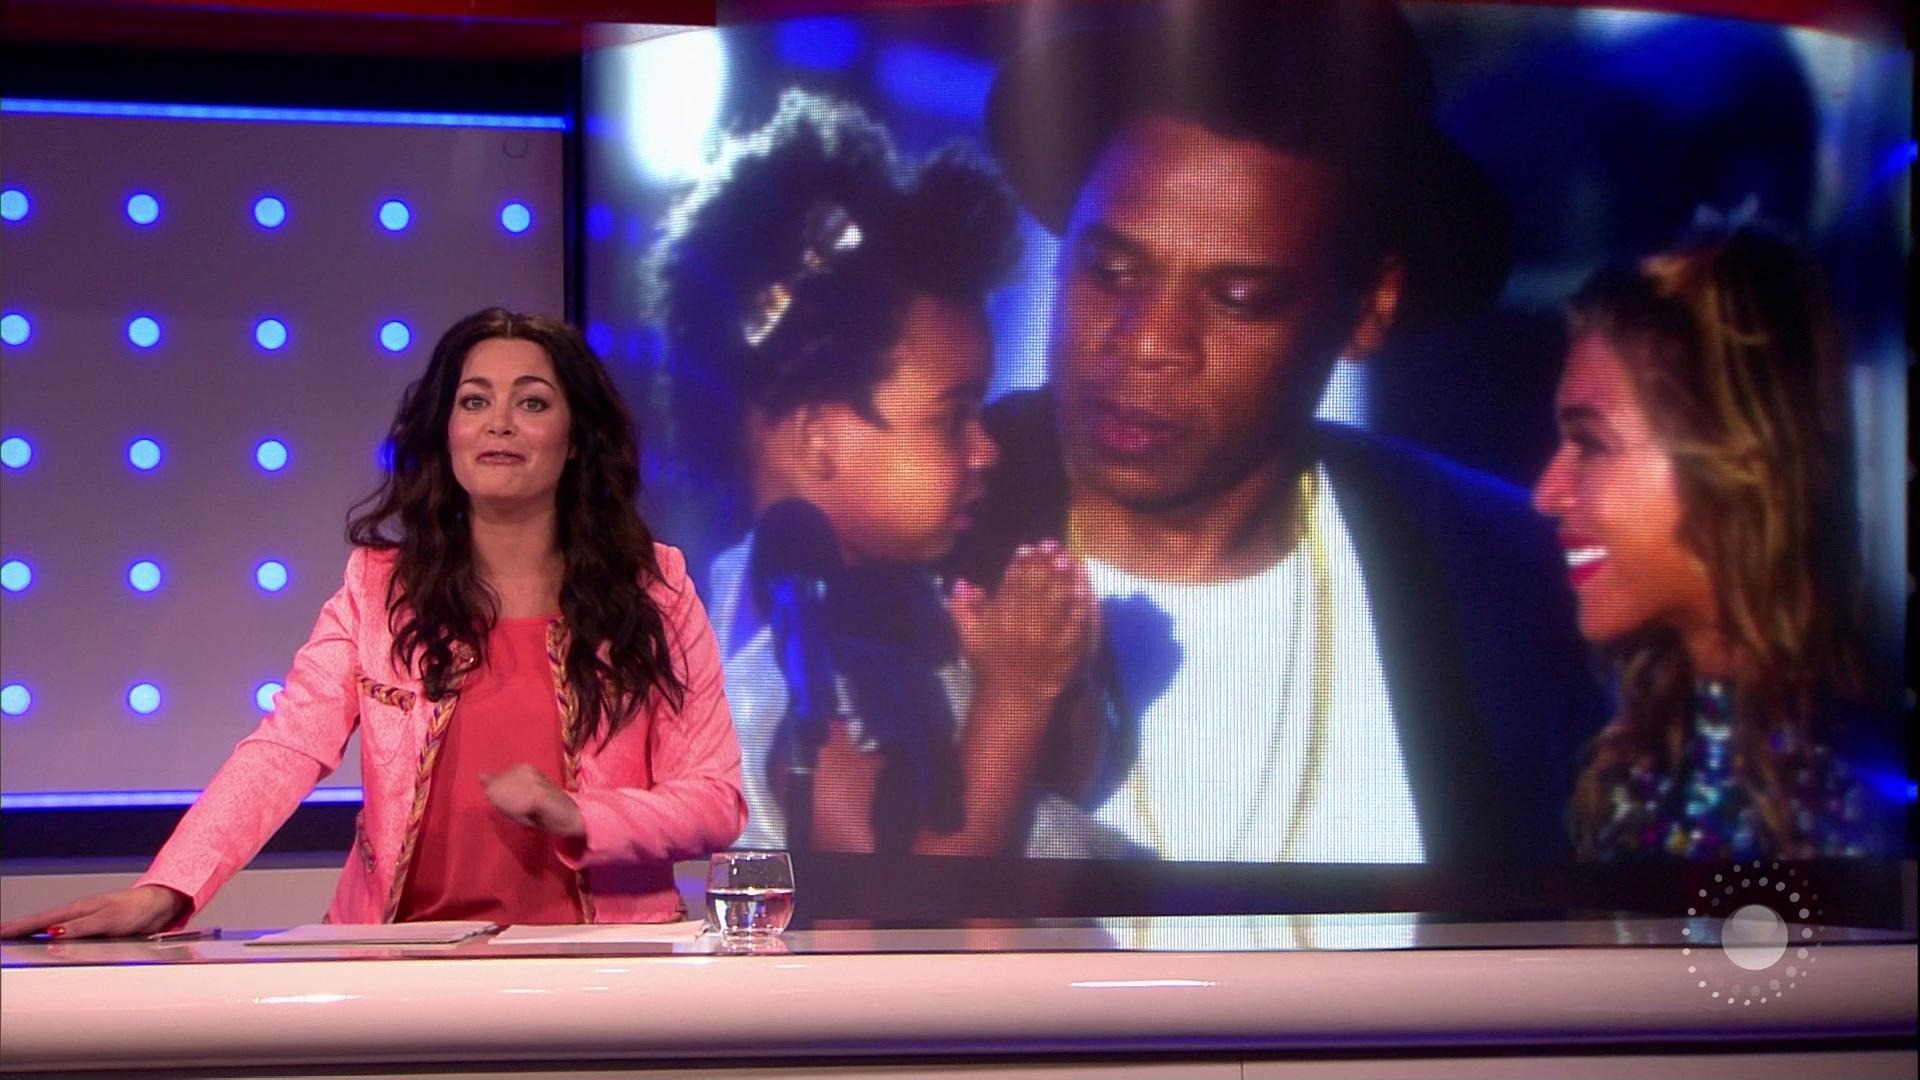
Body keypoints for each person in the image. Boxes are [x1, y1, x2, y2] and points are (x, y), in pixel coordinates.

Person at [950, 0, 1604, 862]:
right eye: (1110, 271)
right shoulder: (900, 547)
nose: (1147, 343)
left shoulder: (1501, 576)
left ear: (1369, 309)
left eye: (1238, 299)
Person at [0, 309, 746, 938]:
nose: (499, 424)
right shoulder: (380, 587)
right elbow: (285, 749)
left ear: (576, 436)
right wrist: (168, 889)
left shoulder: (655, 588)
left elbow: (717, 800)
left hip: (602, 967)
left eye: (532, 403)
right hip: (400, 965)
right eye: (474, 401)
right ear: (446, 430)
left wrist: (580, 814)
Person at [655, 90, 1095, 855]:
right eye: (951, 418)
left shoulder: (815, 597)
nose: (987, 449)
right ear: (818, 441)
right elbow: (904, 901)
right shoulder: (806, 676)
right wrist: (1015, 696)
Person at [1534, 221, 1896, 861]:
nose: (1546, 493)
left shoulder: (1859, 798)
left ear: (1729, 452)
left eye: (1591, 444)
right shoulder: (1637, 752)